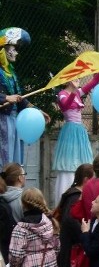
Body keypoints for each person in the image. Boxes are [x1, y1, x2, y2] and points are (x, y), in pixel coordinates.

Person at [52, 72, 99, 202]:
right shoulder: (62, 94)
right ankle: (66, 197)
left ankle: (84, 194)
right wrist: (75, 92)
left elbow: (94, 81)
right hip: (70, 130)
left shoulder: (77, 93)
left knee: (83, 162)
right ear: (69, 80)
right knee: (69, 163)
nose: (79, 80)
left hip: (80, 131)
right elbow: (65, 106)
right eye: (75, 78)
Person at [0, 28, 49, 165]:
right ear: (3, 48)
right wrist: (6, 98)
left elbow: (21, 99)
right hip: (2, 121)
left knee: (14, 161)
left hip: (14, 120)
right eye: (13, 48)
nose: (16, 52)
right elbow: (9, 98)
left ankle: (12, 184)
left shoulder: (11, 73)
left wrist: (36, 110)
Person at [56, 163, 95, 267]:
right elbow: (70, 220)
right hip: (74, 252)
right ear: (86, 179)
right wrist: (85, 236)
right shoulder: (75, 196)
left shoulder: (73, 194)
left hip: (74, 250)